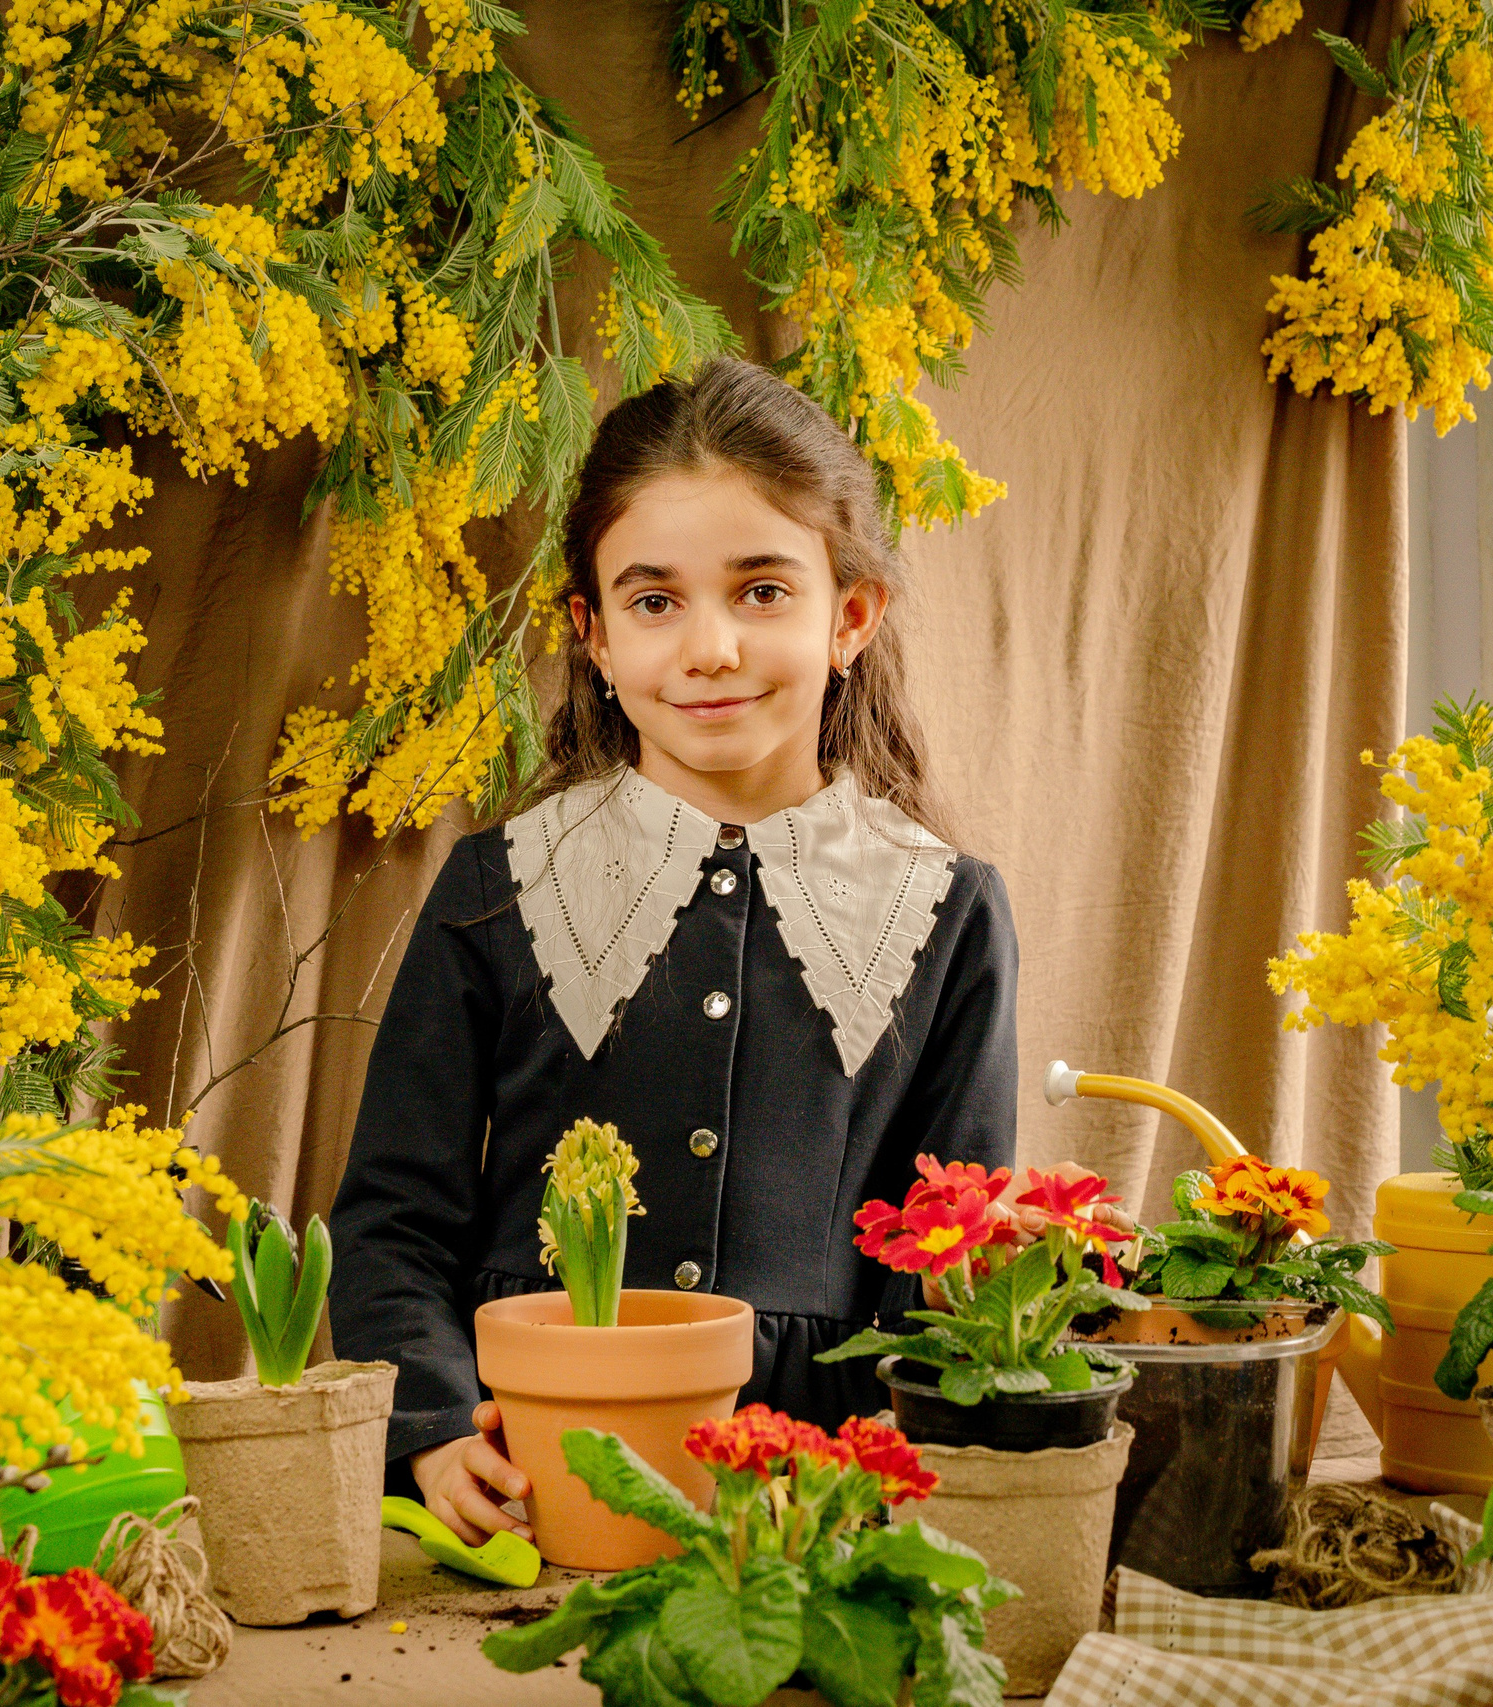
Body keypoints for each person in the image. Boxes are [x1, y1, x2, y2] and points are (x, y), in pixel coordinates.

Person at [326, 357, 1018, 1547]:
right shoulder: (497, 890)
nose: (707, 649)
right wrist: (434, 1427)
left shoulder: (946, 909)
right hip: (525, 1481)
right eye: (654, 602)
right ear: (593, 635)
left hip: (811, 1503)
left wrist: (882, 1481)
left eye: (760, 592)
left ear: (849, 616)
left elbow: (947, 1255)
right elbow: (394, 1214)